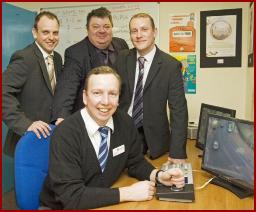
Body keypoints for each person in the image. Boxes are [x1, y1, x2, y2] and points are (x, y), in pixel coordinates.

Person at [40, 66, 185, 209]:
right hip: (61, 206)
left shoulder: (125, 122)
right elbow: (71, 197)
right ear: (85, 97)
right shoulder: (66, 133)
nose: (105, 101)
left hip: (100, 202)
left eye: (112, 94)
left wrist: (159, 176)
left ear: (118, 98)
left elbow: (135, 162)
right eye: (97, 93)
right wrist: (128, 193)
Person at [114, 13, 188, 161]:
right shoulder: (122, 58)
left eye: (144, 29)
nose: (139, 35)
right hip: (122, 133)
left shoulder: (171, 66)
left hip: (154, 139)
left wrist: (177, 152)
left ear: (154, 32)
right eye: (134, 31)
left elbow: (178, 110)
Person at [52, 7, 129, 125]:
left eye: (106, 26)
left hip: (118, 117)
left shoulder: (121, 45)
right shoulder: (76, 53)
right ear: (87, 29)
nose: (102, 31)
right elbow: (68, 86)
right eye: (96, 27)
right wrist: (62, 117)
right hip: (90, 119)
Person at [2, 11, 62, 157]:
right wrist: (26, 124)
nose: (51, 38)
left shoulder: (57, 58)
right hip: (26, 140)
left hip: (49, 139)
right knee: (27, 180)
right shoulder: (24, 57)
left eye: (55, 33)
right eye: (45, 32)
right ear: (35, 33)